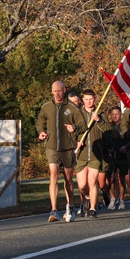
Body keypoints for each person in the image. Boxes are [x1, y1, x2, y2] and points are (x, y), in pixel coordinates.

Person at [36, 81, 84, 222]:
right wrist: (41, 132)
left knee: (68, 178)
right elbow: (40, 122)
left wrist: (74, 128)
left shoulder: (72, 107)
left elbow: (83, 125)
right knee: (53, 175)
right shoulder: (47, 107)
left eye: (59, 91)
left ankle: (70, 206)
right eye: (54, 91)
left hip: (67, 147)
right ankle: (54, 210)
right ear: (51, 91)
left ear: (64, 91)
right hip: (52, 146)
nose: (57, 94)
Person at [74, 89, 110, 219]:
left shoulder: (100, 113)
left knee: (92, 181)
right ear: (82, 100)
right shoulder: (78, 114)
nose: (89, 102)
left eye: (91, 99)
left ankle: (93, 208)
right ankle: (88, 197)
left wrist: (98, 120)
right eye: (86, 99)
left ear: (95, 99)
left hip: (96, 153)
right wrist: (76, 142)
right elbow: (72, 131)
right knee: (82, 185)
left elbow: (108, 130)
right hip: (82, 154)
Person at [105, 106, 128, 209]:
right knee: (111, 179)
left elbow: (128, 139)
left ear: (121, 115)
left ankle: (122, 199)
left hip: (122, 156)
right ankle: (113, 198)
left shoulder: (124, 126)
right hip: (111, 156)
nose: (115, 116)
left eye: (117, 114)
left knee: (121, 178)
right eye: (113, 114)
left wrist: (125, 147)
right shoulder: (109, 126)